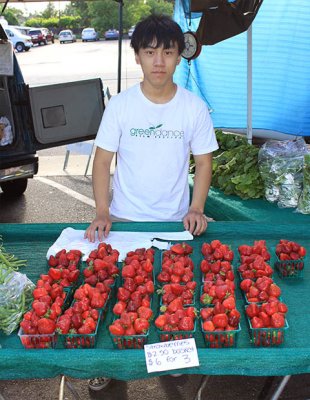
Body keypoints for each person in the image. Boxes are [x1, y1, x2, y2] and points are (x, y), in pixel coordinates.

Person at [86, 13, 218, 391]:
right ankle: (108, 365)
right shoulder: (122, 106)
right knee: (116, 295)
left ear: (180, 57)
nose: (158, 61)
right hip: (125, 222)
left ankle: (173, 362)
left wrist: (195, 208)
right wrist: (101, 211)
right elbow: (102, 161)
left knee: (174, 296)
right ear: (137, 57)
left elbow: (204, 162)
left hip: (176, 224)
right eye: (150, 52)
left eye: (167, 52)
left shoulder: (193, 107)